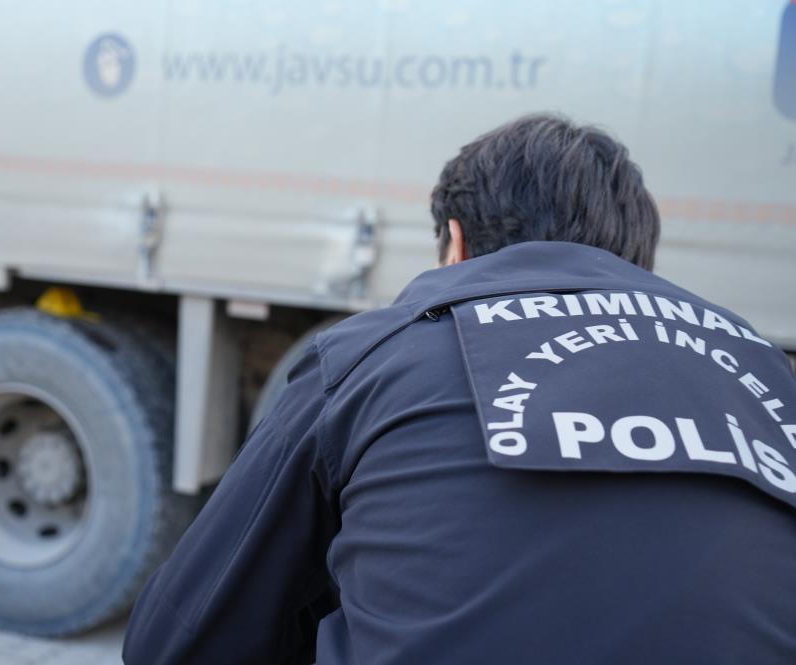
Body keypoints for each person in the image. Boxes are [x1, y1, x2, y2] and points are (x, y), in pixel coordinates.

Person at [122, 114, 796, 664]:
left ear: (456, 242)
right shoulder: (766, 371)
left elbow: (175, 641)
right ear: (634, 260)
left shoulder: (373, 353)